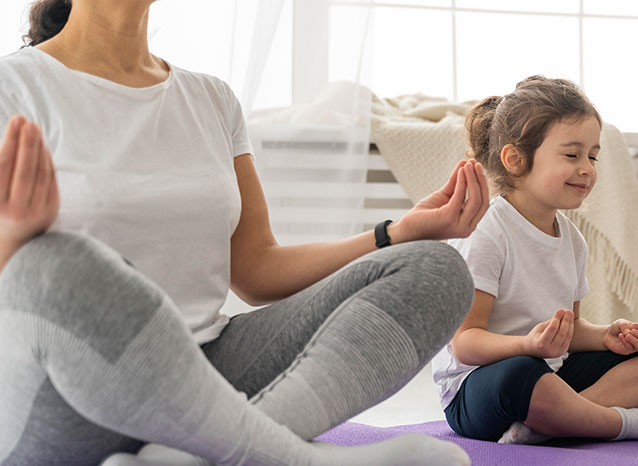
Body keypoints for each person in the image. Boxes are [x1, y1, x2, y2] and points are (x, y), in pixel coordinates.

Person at [0, 1, 489, 465]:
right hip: (72, 398)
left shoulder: (210, 99)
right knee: (53, 264)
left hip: (212, 365)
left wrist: (395, 233)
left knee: (437, 270)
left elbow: (256, 268)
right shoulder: (13, 87)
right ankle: (286, 457)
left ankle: (198, 453)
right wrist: (13, 236)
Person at [432, 75, 638, 446]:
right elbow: (465, 343)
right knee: (521, 372)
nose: (588, 168)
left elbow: (571, 331)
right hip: (482, 387)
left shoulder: (573, 239)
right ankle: (623, 424)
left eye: (592, 156)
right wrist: (527, 345)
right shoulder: (486, 232)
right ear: (515, 160)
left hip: (549, 376)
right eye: (572, 155)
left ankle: (552, 425)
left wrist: (605, 335)